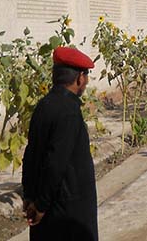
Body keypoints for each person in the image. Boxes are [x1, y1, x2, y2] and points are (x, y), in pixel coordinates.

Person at [22, 46, 97, 241]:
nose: (86, 82)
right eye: (86, 76)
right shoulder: (69, 112)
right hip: (66, 210)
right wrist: (41, 205)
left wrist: (29, 196)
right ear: (80, 78)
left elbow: (30, 154)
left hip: (45, 205)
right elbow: (56, 162)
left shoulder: (44, 105)